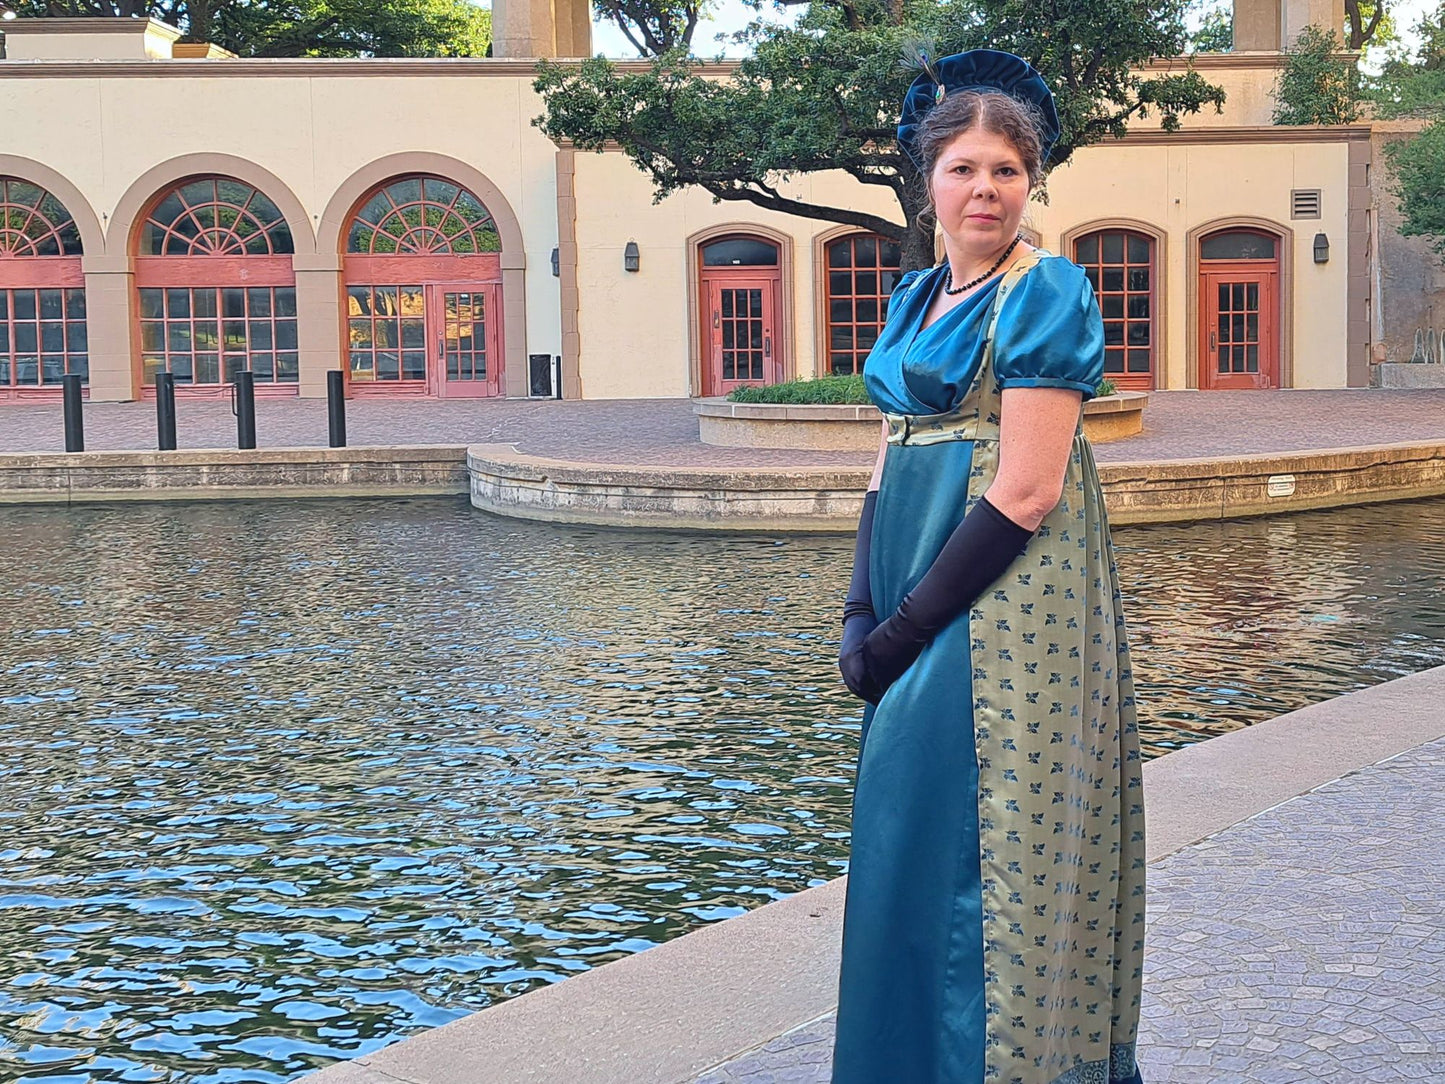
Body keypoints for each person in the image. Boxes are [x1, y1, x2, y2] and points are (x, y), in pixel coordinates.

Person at [831, 51, 1147, 1084]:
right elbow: (886, 450)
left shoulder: (1044, 289)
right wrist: (855, 603)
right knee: (904, 838)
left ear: (1030, 183)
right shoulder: (916, 292)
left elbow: (1026, 489)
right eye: (963, 167)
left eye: (1005, 171)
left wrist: (903, 630)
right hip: (915, 583)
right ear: (926, 181)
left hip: (1005, 606)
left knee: (990, 848)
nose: (983, 190)